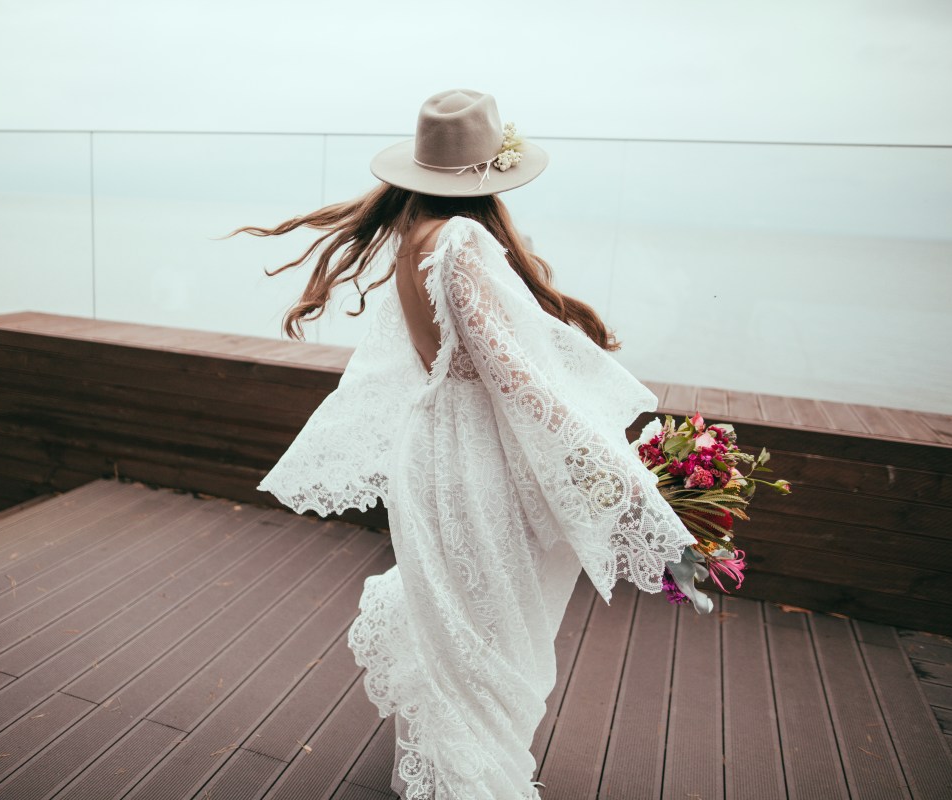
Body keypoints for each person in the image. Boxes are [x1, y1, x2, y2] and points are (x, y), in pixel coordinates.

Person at [235, 89, 696, 800]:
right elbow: (517, 379)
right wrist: (617, 478)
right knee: (495, 637)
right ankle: (474, 785)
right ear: (492, 177)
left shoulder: (413, 236)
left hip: (431, 448)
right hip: (475, 456)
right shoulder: (461, 240)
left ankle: (455, 774)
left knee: (459, 628)